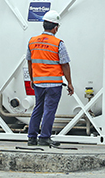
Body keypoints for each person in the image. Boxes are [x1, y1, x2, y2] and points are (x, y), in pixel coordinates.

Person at [26, 10, 74, 147]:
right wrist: (70, 83)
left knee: (37, 109)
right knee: (49, 110)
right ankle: (45, 137)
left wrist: (32, 79)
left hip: (38, 82)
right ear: (55, 27)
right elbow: (65, 64)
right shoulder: (58, 43)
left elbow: (30, 62)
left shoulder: (32, 41)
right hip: (53, 84)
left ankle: (31, 137)